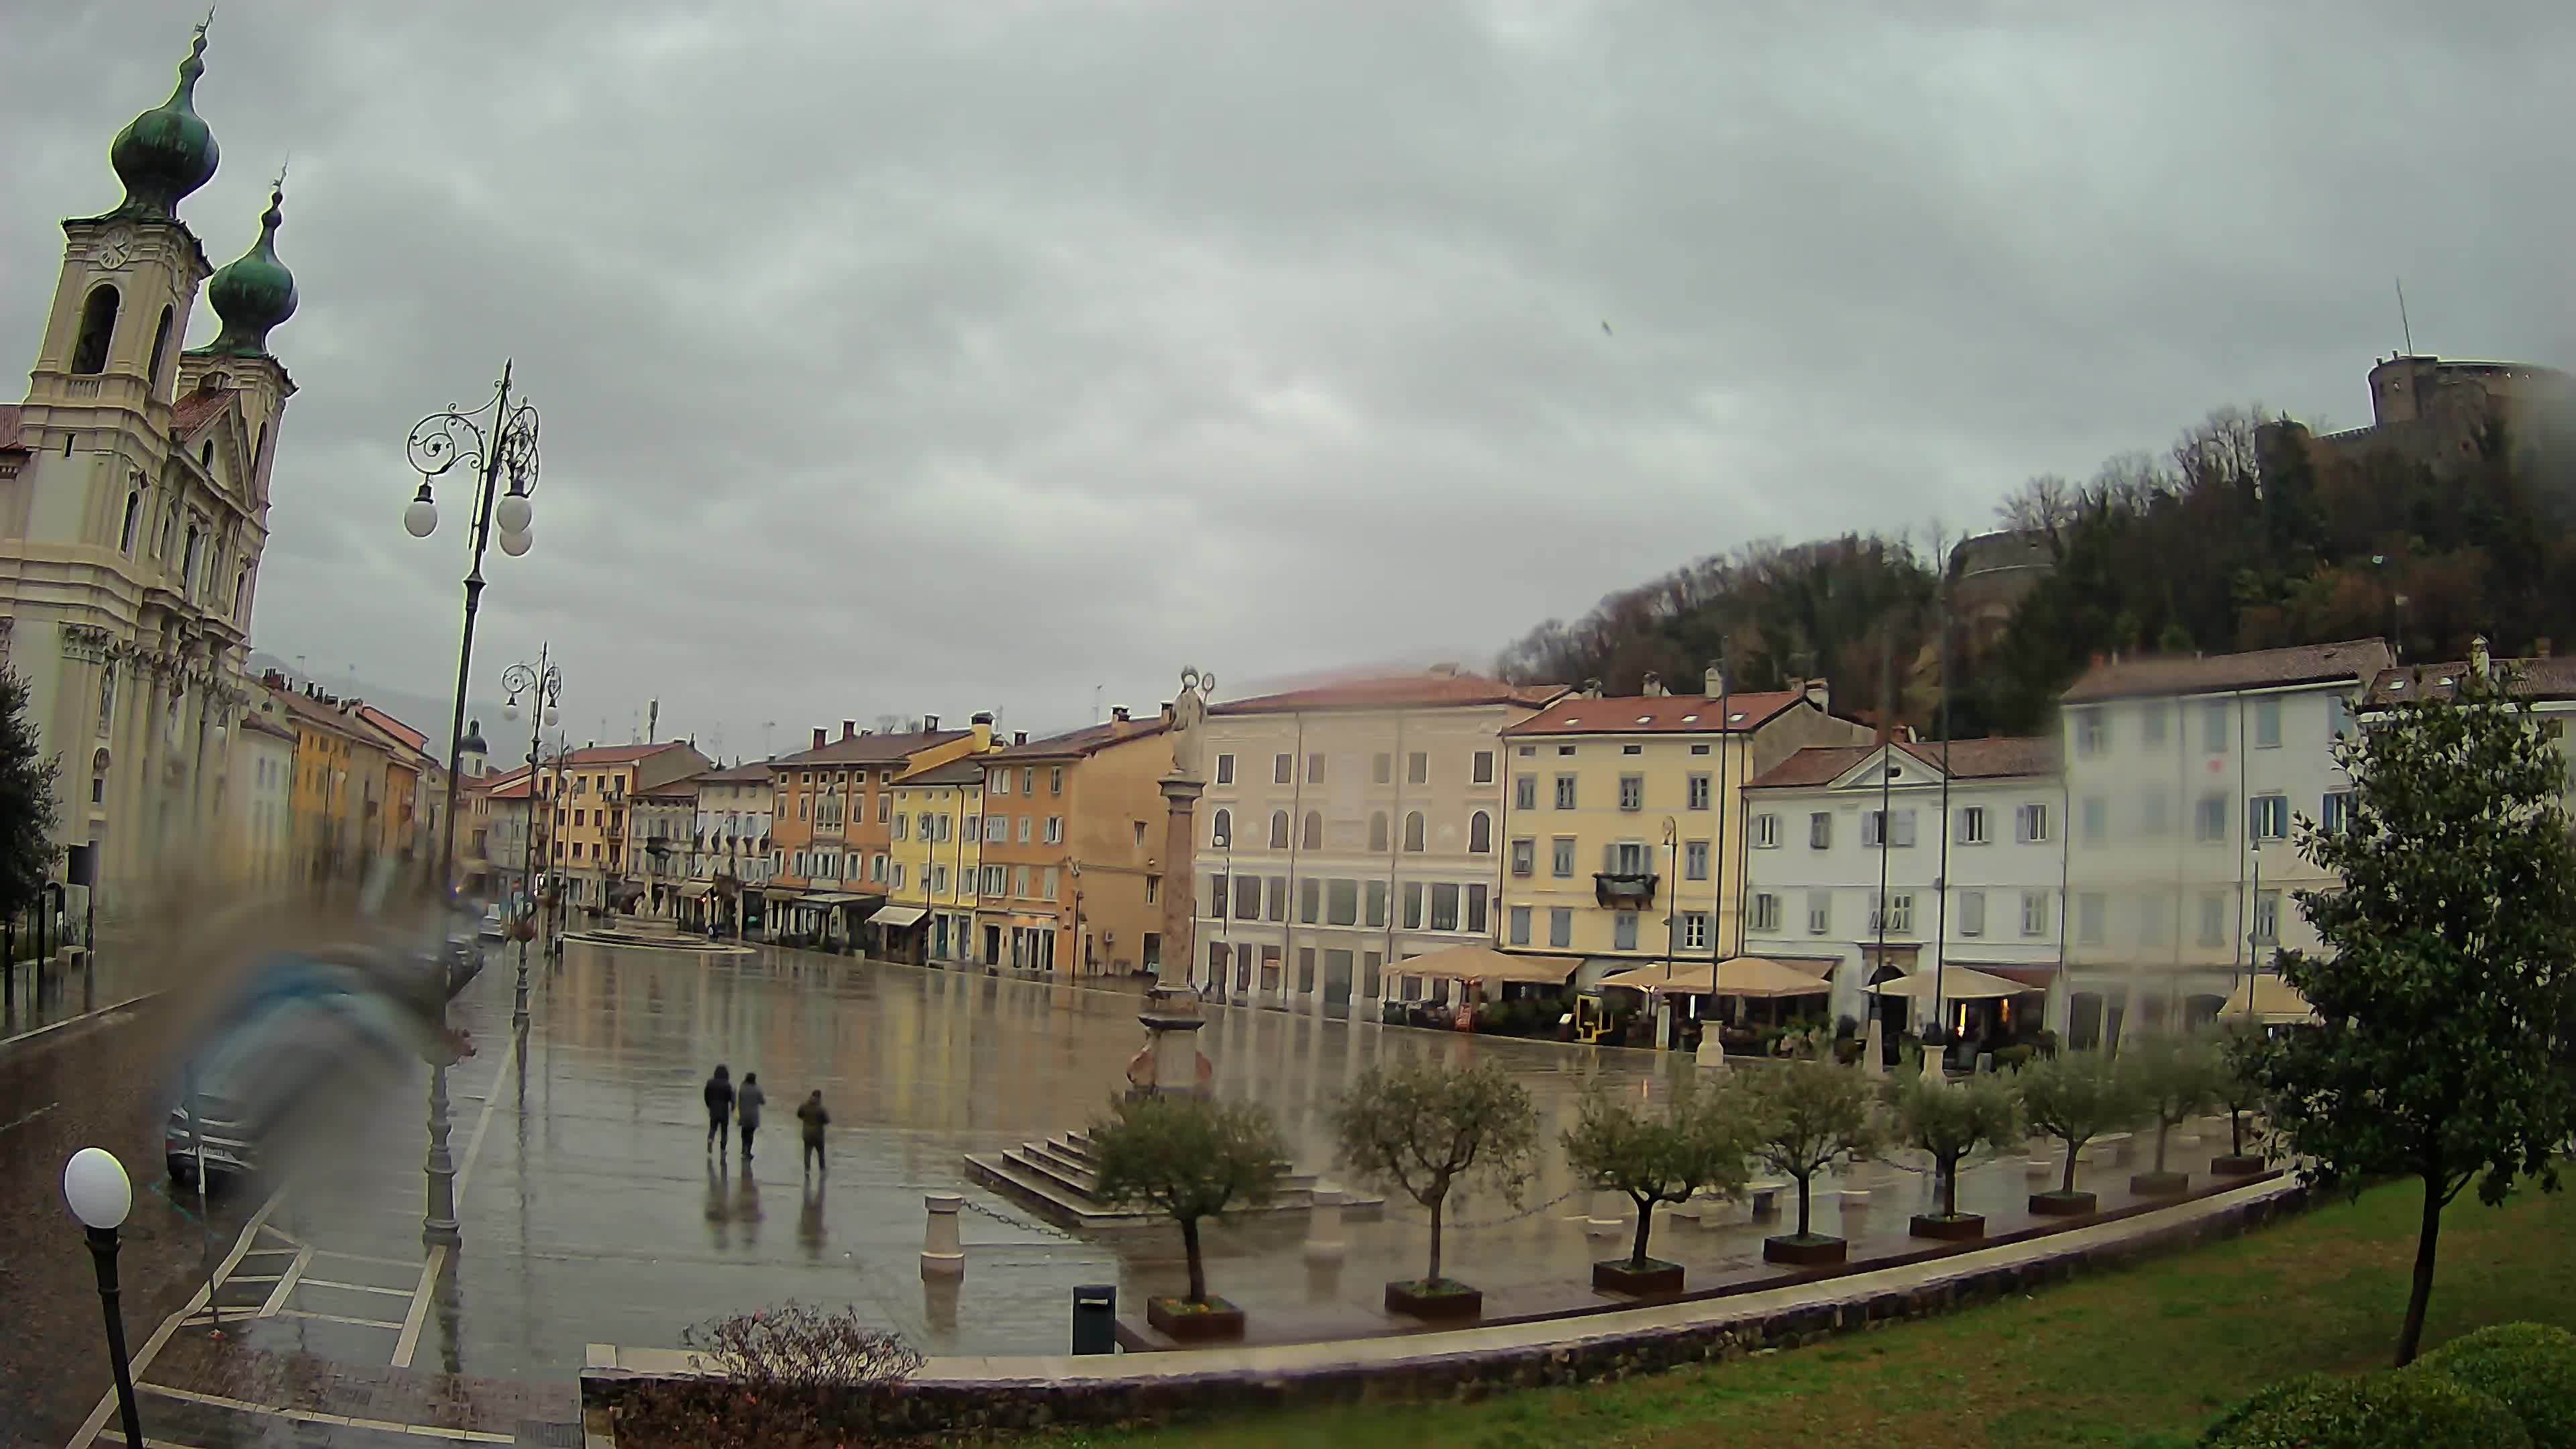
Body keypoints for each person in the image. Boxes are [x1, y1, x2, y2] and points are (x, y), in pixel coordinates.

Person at [702, 1065, 735, 1155]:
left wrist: (708, 1104)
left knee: (713, 1128)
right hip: (724, 1111)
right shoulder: (728, 1085)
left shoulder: (710, 1083)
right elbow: (731, 1098)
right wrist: (732, 1108)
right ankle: (723, 1150)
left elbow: (706, 1095)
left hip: (713, 1109)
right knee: (724, 1131)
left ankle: (710, 1139)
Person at [796, 1089, 830, 1175]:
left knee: (807, 1152)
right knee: (821, 1152)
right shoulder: (821, 1108)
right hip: (818, 1134)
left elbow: (799, 1114)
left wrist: (805, 1119)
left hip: (807, 1133)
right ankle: (822, 1169)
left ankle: (807, 1169)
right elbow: (827, 1120)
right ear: (819, 1097)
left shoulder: (804, 1106)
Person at [736, 1071, 765, 1161]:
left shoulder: (741, 1088)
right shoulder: (757, 1089)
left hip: (743, 1114)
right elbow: (762, 1102)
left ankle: (743, 1148)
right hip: (753, 1116)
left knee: (744, 1132)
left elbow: (737, 1099)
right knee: (751, 1134)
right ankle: (748, 1151)